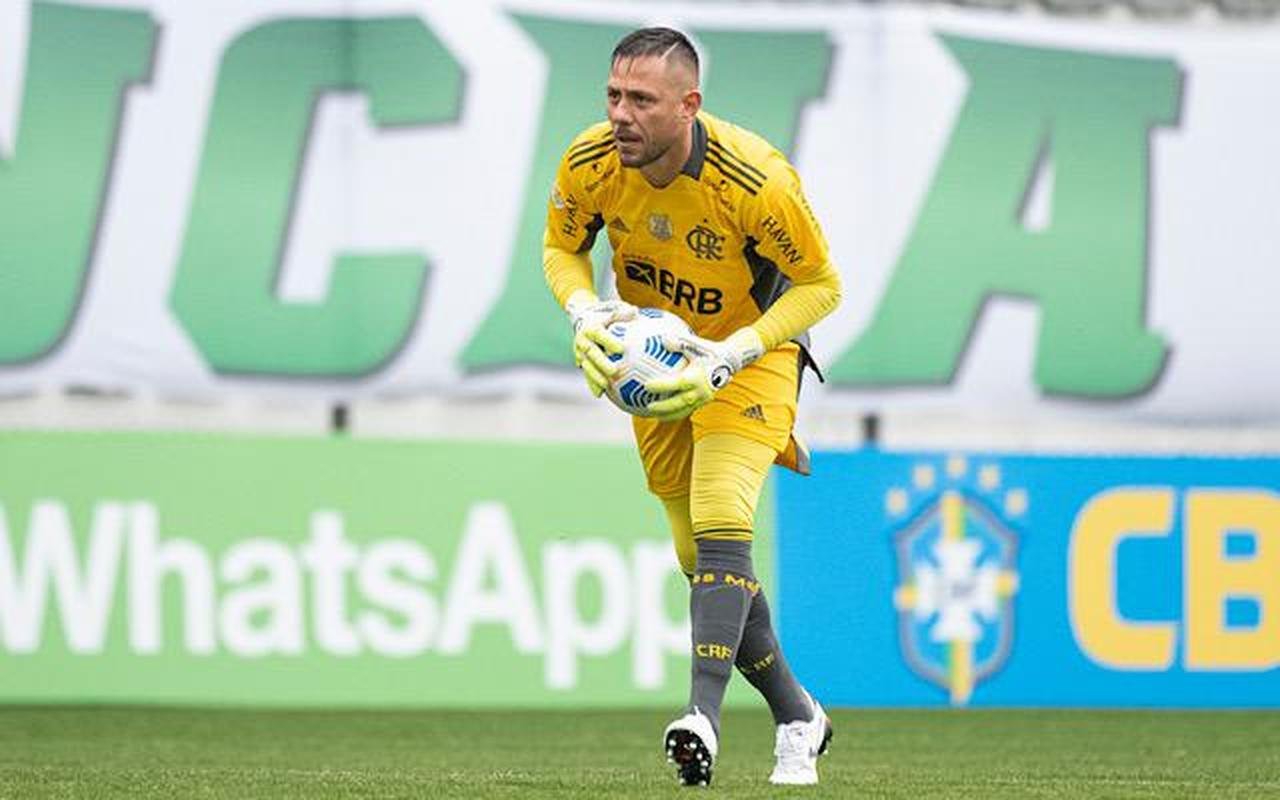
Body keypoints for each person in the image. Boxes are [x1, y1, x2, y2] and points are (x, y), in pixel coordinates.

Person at [541, 27, 842, 787]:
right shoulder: (590, 161)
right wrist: (583, 311)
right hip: (658, 366)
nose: (620, 114)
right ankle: (799, 713)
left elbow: (821, 285)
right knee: (698, 558)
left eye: (641, 99)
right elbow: (560, 247)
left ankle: (699, 716)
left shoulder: (756, 180)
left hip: (751, 359)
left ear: (689, 105)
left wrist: (737, 351)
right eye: (613, 95)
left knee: (719, 518)